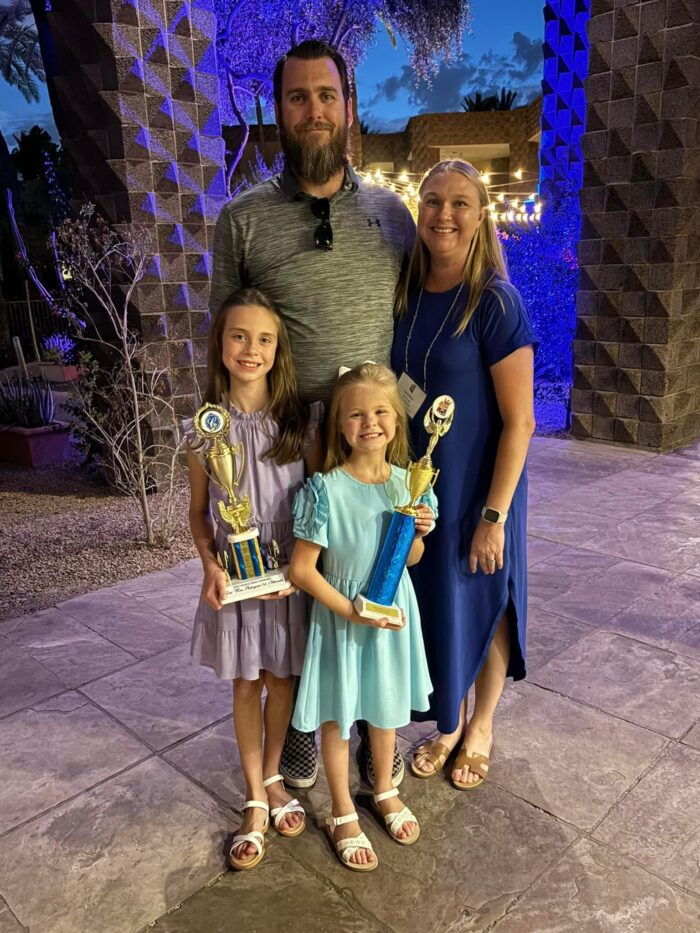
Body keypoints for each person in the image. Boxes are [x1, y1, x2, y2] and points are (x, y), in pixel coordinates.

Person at [209, 38, 415, 789]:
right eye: (299, 97)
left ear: (349, 106)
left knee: (369, 577)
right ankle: (303, 729)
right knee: (300, 594)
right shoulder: (243, 220)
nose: (314, 111)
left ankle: (370, 729)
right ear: (280, 111)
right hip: (287, 449)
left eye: (327, 96)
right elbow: (224, 338)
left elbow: (411, 326)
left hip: (370, 445)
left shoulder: (393, 216)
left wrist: (408, 430)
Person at [391, 160, 537, 791]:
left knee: (487, 595)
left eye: (458, 203)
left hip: (481, 484)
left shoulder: (496, 302)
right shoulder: (405, 291)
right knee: (441, 603)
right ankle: (448, 723)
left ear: (481, 217)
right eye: (431, 201)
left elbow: (522, 422)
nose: (442, 215)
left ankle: (480, 728)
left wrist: (494, 514)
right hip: (425, 486)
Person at [185, 287, 323, 871]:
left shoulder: (301, 421)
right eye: (239, 336)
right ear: (219, 344)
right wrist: (211, 565)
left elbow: (319, 502)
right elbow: (198, 514)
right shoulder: (202, 431)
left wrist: (304, 566)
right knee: (246, 683)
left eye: (264, 339)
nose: (251, 349)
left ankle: (273, 779)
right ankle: (254, 797)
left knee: (281, 683)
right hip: (236, 583)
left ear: (278, 349)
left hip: (288, 577)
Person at [288, 364, 436, 871]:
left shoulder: (410, 485)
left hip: (392, 614)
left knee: (386, 703)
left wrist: (416, 532)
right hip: (342, 619)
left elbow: (412, 559)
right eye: (356, 414)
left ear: (396, 420)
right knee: (338, 714)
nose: (369, 422)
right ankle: (341, 808)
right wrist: (350, 609)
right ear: (340, 425)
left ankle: (383, 788)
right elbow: (303, 570)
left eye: (379, 412)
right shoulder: (325, 490)